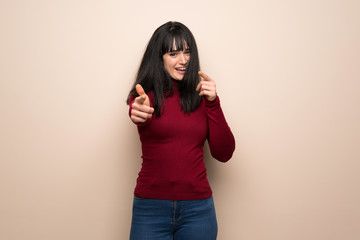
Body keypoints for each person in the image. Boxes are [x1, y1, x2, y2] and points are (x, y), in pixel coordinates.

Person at [127, 21, 235, 240]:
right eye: (173, 54)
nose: (183, 60)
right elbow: (138, 110)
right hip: (150, 208)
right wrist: (136, 110)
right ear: (159, 57)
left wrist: (213, 102)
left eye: (187, 52)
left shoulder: (203, 95)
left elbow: (224, 154)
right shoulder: (144, 97)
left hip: (198, 211)